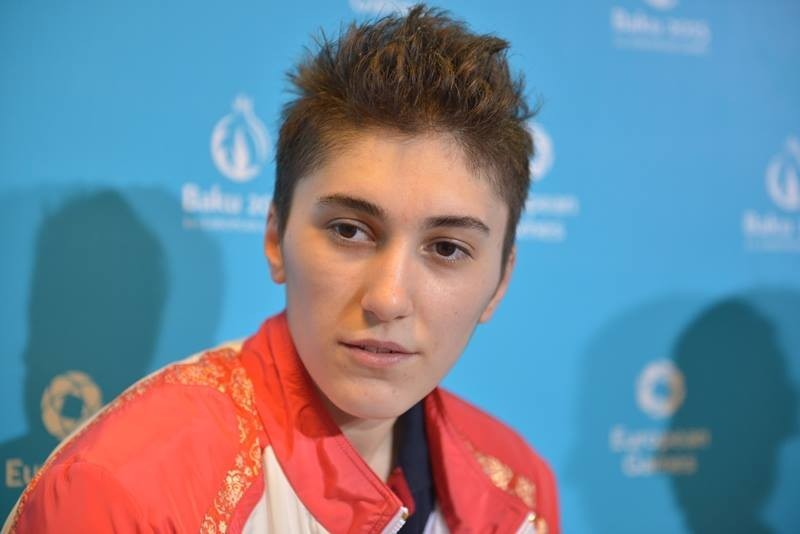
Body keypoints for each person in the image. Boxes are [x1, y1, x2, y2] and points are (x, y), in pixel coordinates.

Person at [3, 4, 559, 533]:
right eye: (350, 231)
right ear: (275, 237)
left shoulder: (520, 489)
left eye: (447, 249)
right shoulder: (123, 491)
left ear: (500, 282)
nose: (388, 298)